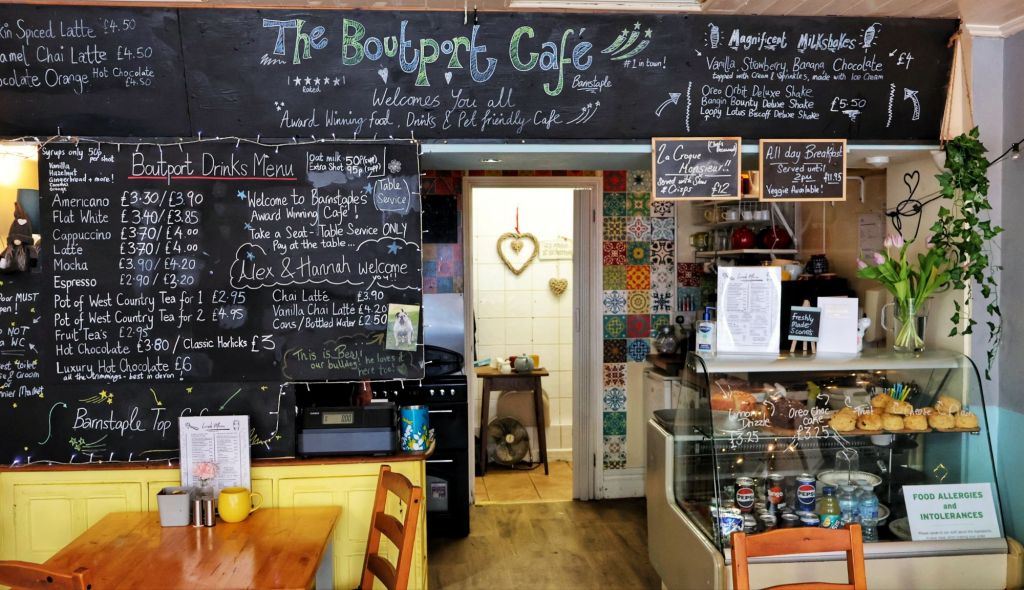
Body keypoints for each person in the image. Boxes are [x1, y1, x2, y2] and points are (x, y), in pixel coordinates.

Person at [1, 201, 33, 272]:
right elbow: (10, 235)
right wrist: (13, 240)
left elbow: (30, 239)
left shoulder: (26, 223)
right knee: (6, 255)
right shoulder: (15, 222)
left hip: (24, 247)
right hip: (13, 246)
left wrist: (19, 239)